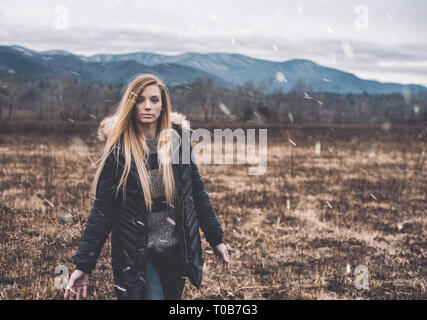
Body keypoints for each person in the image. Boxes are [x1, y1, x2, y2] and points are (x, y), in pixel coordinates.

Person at [64, 73, 229, 300]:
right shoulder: (119, 152)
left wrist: (216, 239)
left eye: (154, 100)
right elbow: (103, 212)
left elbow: (197, 194)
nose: (147, 106)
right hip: (138, 254)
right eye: (140, 100)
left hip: (176, 252)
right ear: (131, 105)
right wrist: (84, 265)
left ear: (163, 105)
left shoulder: (178, 143)